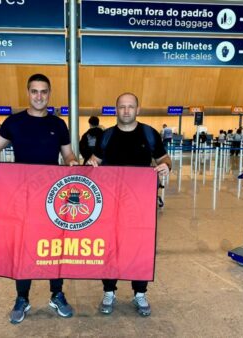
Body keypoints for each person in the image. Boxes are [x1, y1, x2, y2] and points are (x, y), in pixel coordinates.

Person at [0, 74, 78, 324]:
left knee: (56, 245)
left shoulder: (58, 124)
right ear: (28, 93)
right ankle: (22, 297)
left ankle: (57, 293)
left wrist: (72, 162)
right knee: (24, 245)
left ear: (49, 93)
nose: (39, 96)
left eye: (44, 92)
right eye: (34, 91)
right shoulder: (14, 122)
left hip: (53, 197)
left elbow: (68, 155)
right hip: (23, 196)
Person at [86, 92, 172, 317]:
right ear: (116, 109)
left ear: (138, 109)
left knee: (140, 246)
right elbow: (95, 161)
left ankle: (140, 292)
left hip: (140, 205)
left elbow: (164, 158)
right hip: (111, 204)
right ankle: (109, 291)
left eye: (130, 106)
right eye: (122, 107)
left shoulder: (149, 134)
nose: (126, 111)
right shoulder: (107, 136)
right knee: (110, 246)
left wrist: (166, 166)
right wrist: (92, 163)